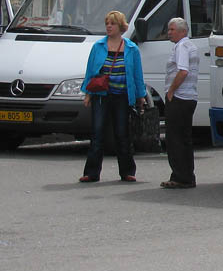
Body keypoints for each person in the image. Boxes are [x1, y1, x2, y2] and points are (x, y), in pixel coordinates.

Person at [79, 10, 145, 183]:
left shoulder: (131, 48)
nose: (109, 26)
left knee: (122, 134)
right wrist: (87, 94)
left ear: (121, 27)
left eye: (112, 23)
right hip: (101, 96)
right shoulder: (98, 47)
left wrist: (141, 96)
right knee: (97, 133)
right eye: (107, 23)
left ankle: (127, 172)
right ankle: (91, 173)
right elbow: (90, 71)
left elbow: (137, 75)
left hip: (122, 96)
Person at [161, 17, 199, 190]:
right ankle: (187, 175)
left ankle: (179, 176)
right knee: (185, 139)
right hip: (190, 97)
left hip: (180, 97)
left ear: (183, 31)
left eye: (172, 29)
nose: (169, 32)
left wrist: (171, 91)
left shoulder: (181, 46)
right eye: (169, 29)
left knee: (175, 138)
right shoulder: (191, 46)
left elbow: (183, 71)